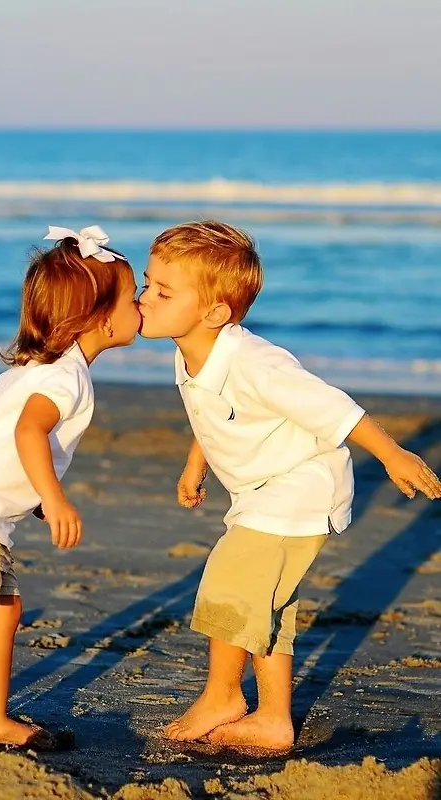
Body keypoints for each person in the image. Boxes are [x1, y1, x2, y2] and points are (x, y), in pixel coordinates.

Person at [139, 220, 441, 752]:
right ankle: (274, 719)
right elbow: (209, 413)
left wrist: (392, 453)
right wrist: (197, 462)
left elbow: (330, 407)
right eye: (147, 283)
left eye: (163, 291)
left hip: (300, 485)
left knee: (230, 585)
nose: (145, 298)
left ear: (215, 314)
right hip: (260, 489)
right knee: (268, 606)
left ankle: (222, 696)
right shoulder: (188, 351)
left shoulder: (257, 363)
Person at [0, 225, 141, 764]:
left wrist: (34, 495)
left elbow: (1, 439)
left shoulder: (41, 369)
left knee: (5, 611)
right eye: (133, 299)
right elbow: (27, 432)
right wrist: (54, 499)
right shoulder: (64, 380)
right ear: (99, 319)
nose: (142, 309)